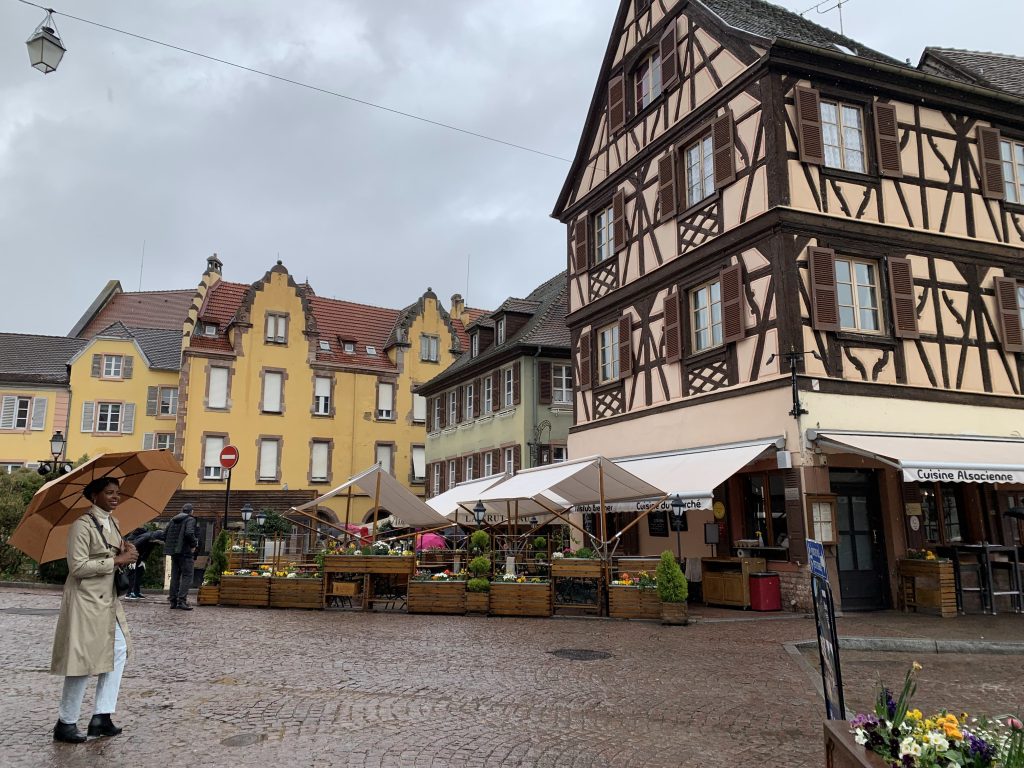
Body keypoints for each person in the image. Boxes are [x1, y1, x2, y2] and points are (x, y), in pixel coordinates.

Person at [51, 476, 138, 743]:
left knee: (119, 650)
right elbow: (77, 567)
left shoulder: (114, 523)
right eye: (109, 493)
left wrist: (127, 553)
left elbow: (113, 557)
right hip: (86, 601)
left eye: (117, 493)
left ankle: (102, 716)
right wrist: (116, 560)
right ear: (94, 496)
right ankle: (65, 723)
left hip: (108, 601)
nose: (115, 497)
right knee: (81, 662)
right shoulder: (81, 525)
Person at [164, 503, 199, 611]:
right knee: (187, 576)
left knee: (175, 576)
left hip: (174, 552)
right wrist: (194, 544)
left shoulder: (173, 520)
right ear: (191, 511)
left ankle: (173, 601)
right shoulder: (190, 520)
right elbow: (189, 533)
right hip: (185, 552)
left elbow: (165, 534)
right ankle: (182, 601)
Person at [123, 527, 165, 600]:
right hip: (131, 554)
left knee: (139, 572)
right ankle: (129, 593)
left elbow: (148, 551)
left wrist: (143, 560)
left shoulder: (153, 541)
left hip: (138, 555)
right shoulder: (146, 538)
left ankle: (136, 592)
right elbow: (134, 546)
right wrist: (131, 560)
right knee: (132, 573)